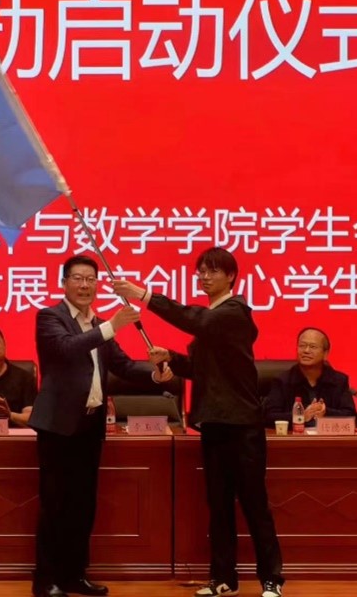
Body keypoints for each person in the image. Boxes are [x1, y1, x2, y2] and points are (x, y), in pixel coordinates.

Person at [113, 247, 285, 597]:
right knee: (218, 505)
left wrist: (143, 295)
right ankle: (223, 579)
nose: (204, 277)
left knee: (254, 504)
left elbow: (196, 320)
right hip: (213, 422)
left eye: (213, 271)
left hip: (243, 426)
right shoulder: (212, 321)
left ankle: (271, 579)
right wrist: (170, 358)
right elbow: (199, 369)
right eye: (201, 272)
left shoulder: (234, 312)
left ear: (231, 276)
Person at [29, 255, 174, 597]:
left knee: (83, 505)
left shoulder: (95, 323)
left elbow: (123, 366)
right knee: (55, 504)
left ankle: (74, 575)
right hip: (58, 427)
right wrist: (112, 325)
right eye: (77, 278)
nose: (84, 285)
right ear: (64, 283)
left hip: (90, 425)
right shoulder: (50, 317)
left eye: (90, 279)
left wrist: (156, 374)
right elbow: (66, 349)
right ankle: (46, 580)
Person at [264, 327, 356, 428]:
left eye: (313, 347)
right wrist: (300, 416)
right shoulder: (282, 381)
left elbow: (351, 417)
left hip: (327, 437)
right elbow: (269, 417)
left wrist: (326, 412)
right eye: (302, 346)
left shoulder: (338, 381)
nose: (306, 350)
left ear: (325, 354)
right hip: (295, 437)